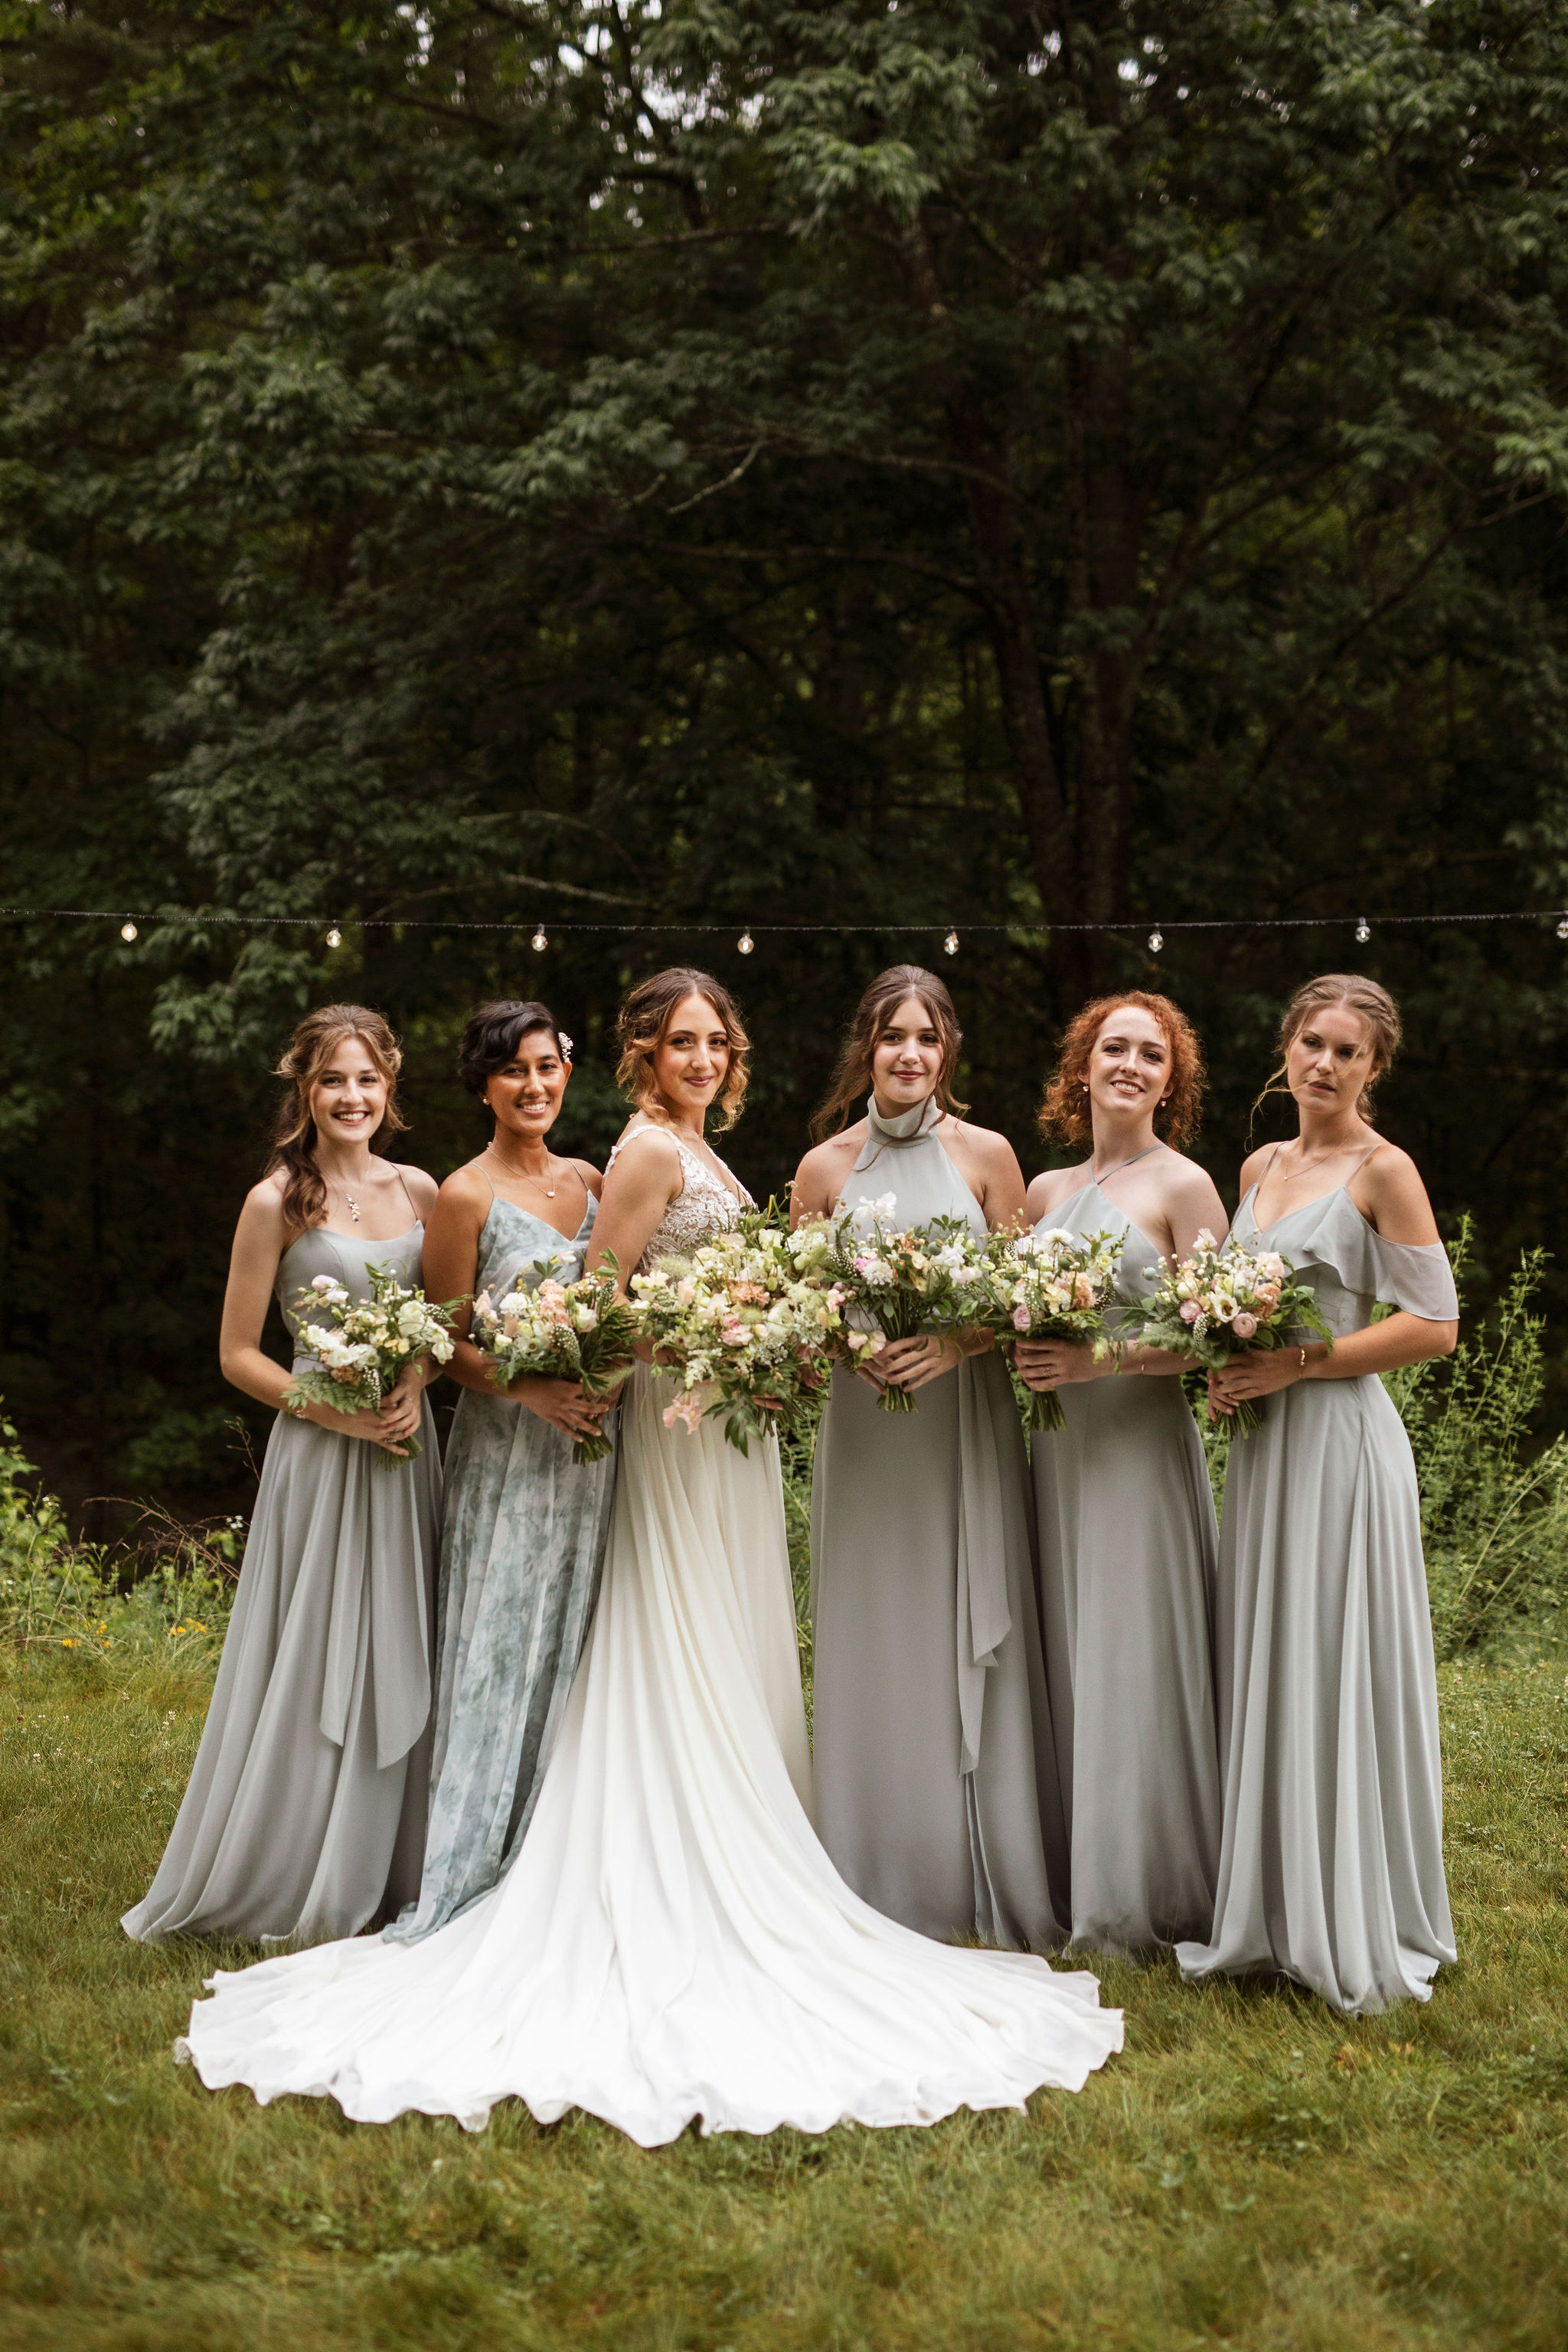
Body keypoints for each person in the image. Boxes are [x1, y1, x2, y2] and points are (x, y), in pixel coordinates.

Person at [175, 968, 1122, 2145]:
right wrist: (680, 1356)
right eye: (682, 1043)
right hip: (677, 1429)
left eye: (716, 1040)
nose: (704, 1058)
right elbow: (595, 1299)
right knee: (674, 1637)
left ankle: (755, 1843)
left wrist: (762, 1338)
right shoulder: (646, 1155)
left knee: (724, 1636)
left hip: (721, 1427)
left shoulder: (693, 1148)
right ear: (642, 1055)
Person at [123, 1006, 442, 1946]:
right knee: (313, 1644)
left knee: (405, 1635)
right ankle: (297, 1857)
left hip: (409, 1446)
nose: (352, 1098)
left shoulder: (421, 1188)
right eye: (332, 1081)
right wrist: (339, 1410)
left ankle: (399, 1864)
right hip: (323, 1447)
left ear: (390, 1088)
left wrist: (415, 1380)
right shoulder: (276, 1202)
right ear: (305, 1091)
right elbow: (237, 1354)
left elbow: (444, 1318)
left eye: (367, 1081)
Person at [1177, 974, 1459, 2014]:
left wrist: (1297, 1366)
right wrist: (1219, 1362)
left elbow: (1435, 1324)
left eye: (1346, 1051)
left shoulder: (1386, 1172)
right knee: (1273, 1651)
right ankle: (1272, 1902)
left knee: (1335, 1657)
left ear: (1372, 1068)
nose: (1324, 1063)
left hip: (1339, 1444)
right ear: (1285, 1049)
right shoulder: (1257, 1166)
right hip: (1262, 1449)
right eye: (1311, 1042)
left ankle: (1349, 1908)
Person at [791, 966, 1066, 1949]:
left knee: (959, 1618)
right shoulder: (824, 1168)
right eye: (891, 1036)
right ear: (865, 1046)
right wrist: (855, 1348)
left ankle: (976, 1868)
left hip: (962, 1420)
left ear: (946, 1049)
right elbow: (802, 1310)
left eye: (926, 1037)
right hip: (867, 1432)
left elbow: (1024, 1295)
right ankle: (871, 1869)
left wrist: (954, 1344)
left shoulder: (989, 1155)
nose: (909, 1053)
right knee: (876, 1622)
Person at [386, 1000, 614, 1943]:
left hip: (597, 1456)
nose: (535, 1086)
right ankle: (475, 1861)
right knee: (502, 1642)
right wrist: (532, 1395)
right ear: (483, 1083)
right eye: (515, 1070)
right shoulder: (464, 1194)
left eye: (549, 1067)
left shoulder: (595, 1179)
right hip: (510, 1452)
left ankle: (569, 1855)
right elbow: (442, 1345)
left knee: (584, 1642)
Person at [1018, 992, 1227, 1954]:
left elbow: (1217, 1341)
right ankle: (1074, 1871)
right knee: (1070, 1648)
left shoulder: (1184, 1187)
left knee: (1133, 1652)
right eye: (1113, 1047)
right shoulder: (1043, 1191)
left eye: (1151, 1054)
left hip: (1139, 1448)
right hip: (1058, 1452)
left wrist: (1097, 1361)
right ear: (1082, 1065)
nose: (1130, 1065)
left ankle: (1149, 1888)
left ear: (1169, 1079)